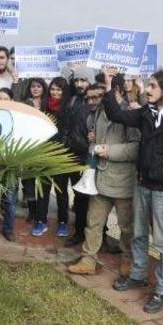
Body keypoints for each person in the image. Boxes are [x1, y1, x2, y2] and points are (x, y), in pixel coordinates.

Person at [106, 69, 163, 314]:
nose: (147, 89)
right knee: (138, 234)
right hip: (143, 183)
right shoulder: (147, 113)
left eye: (153, 86)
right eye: (148, 85)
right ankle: (137, 275)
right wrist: (109, 85)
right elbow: (116, 114)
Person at [67, 80, 139, 278]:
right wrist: (93, 140)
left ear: (113, 93)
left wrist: (110, 151)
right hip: (99, 178)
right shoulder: (96, 114)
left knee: (126, 226)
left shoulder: (130, 114)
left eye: (98, 97)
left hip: (123, 181)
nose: (93, 101)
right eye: (90, 98)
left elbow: (136, 147)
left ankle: (127, 258)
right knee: (93, 222)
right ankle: (88, 259)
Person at [32, 77, 71, 236]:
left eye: (59, 90)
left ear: (64, 92)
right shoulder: (44, 107)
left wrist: (62, 150)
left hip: (61, 156)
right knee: (42, 190)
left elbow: (68, 133)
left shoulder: (68, 108)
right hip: (44, 155)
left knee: (61, 192)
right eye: (53, 89)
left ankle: (63, 222)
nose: (55, 92)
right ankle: (41, 221)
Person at [61, 65, 93, 247]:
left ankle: (95, 233)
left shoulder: (94, 102)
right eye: (77, 80)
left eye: (83, 80)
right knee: (78, 196)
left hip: (87, 156)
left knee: (86, 198)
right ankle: (79, 232)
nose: (80, 84)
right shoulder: (72, 101)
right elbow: (66, 127)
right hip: (70, 154)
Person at [20, 78, 48, 223]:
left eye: (38, 86)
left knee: (43, 183)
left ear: (43, 88)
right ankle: (32, 212)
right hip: (28, 148)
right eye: (33, 86)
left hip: (44, 148)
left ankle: (41, 212)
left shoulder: (48, 103)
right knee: (28, 182)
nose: (35, 89)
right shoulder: (25, 104)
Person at [0, 86, 17, 241]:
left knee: (9, 198)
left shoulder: (18, 117)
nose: (2, 102)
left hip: (10, 164)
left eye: (5, 99)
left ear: (12, 101)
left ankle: (8, 229)